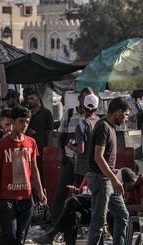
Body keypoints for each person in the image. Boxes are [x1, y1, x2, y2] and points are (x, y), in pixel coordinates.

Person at [0, 106, 47, 245]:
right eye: (21, 121)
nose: (25, 125)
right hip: (6, 198)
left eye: (27, 122)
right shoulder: (1, 145)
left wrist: (40, 192)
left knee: (20, 237)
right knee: (8, 235)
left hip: (26, 197)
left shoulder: (31, 143)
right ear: (13, 122)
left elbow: (34, 169)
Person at [86, 96, 130, 245]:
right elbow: (98, 157)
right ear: (118, 112)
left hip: (107, 179)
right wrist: (114, 179)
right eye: (125, 115)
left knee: (122, 214)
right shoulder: (103, 126)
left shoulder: (109, 127)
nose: (126, 119)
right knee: (98, 222)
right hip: (101, 179)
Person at [52, 87, 93, 220]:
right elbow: (60, 135)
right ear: (80, 99)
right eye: (85, 98)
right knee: (61, 191)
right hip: (69, 159)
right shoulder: (69, 114)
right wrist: (61, 152)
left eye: (90, 99)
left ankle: (78, 222)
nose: (87, 101)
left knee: (81, 193)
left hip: (84, 163)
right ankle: (54, 221)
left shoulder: (92, 119)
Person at [23, 87, 53, 178]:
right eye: (28, 99)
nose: (30, 101)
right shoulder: (26, 113)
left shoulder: (46, 113)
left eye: (32, 98)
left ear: (38, 98)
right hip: (27, 148)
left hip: (41, 148)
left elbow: (49, 131)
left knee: (41, 173)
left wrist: (48, 147)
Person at [72, 94, 100, 185]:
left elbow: (80, 150)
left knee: (81, 196)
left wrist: (71, 146)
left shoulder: (81, 125)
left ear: (83, 107)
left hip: (82, 170)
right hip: (98, 168)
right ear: (96, 108)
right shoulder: (101, 122)